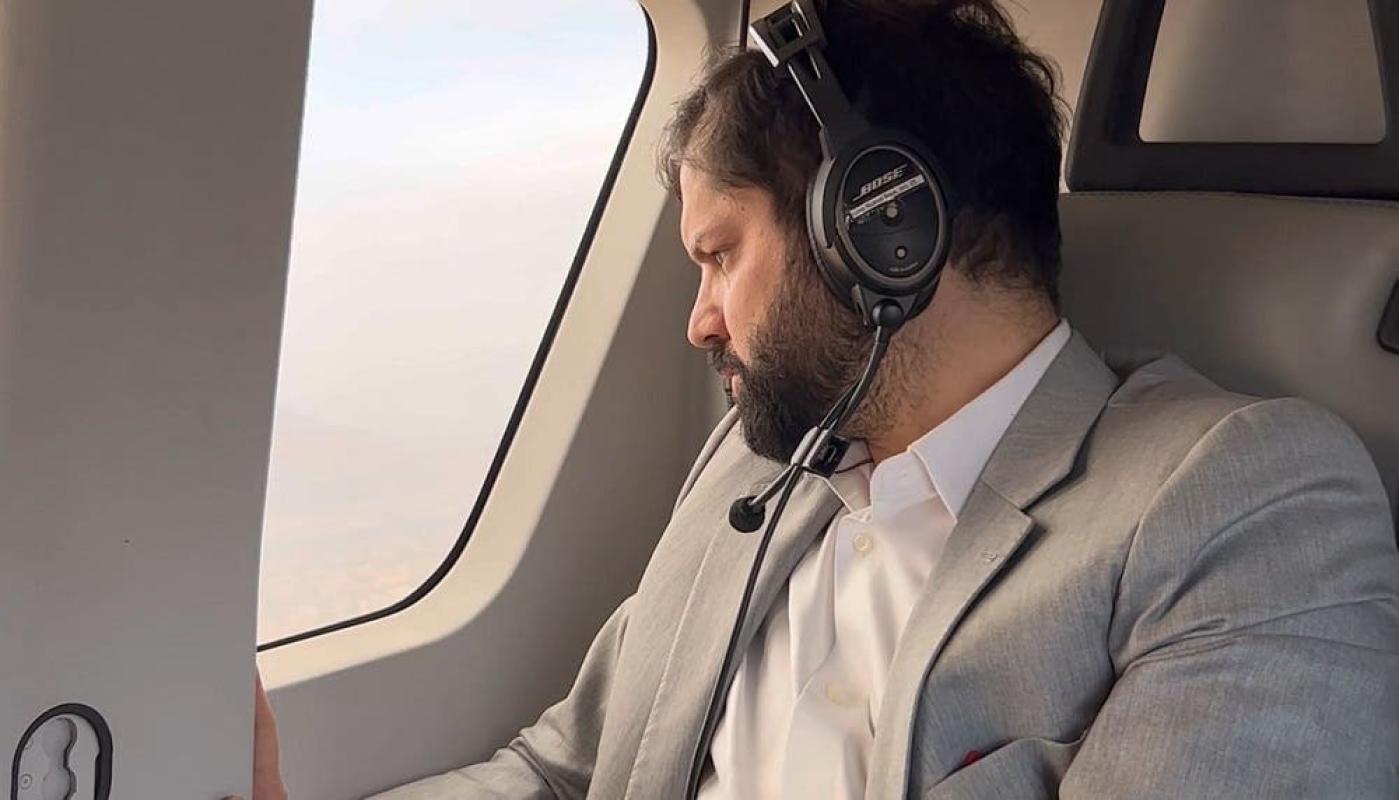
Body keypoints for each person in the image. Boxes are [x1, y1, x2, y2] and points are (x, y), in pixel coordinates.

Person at [233, 1, 1399, 797]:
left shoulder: (1242, 499)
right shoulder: (754, 469)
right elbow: (565, 770)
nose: (700, 321)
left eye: (718, 255)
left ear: (884, 223)